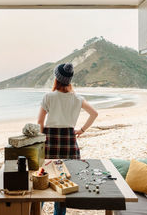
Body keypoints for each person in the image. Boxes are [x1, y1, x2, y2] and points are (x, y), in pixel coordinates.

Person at [37, 62, 98, 215]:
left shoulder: (48, 97)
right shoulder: (78, 99)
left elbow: (40, 122)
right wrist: (81, 130)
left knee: (44, 179)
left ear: (56, 79)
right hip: (69, 142)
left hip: (50, 141)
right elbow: (94, 113)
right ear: (69, 80)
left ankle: (37, 211)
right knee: (64, 183)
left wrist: (42, 139)